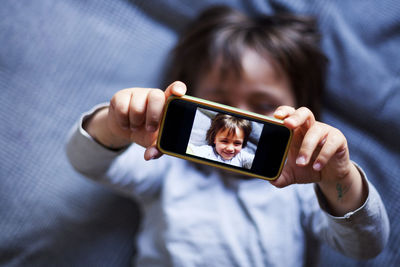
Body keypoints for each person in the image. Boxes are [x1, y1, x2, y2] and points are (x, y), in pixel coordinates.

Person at [66, 5, 389, 266]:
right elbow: (87, 163)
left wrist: (338, 178)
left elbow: (366, 246)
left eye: (263, 105)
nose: (238, 120)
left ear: (302, 107)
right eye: (219, 104)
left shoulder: (303, 187)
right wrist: (114, 124)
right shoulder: (164, 163)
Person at [187, 113, 255, 169]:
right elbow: (190, 150)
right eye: (224, 141)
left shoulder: (242, 156)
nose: (230, 149)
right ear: (214, 139)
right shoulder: (207, 151)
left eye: (237, 143)